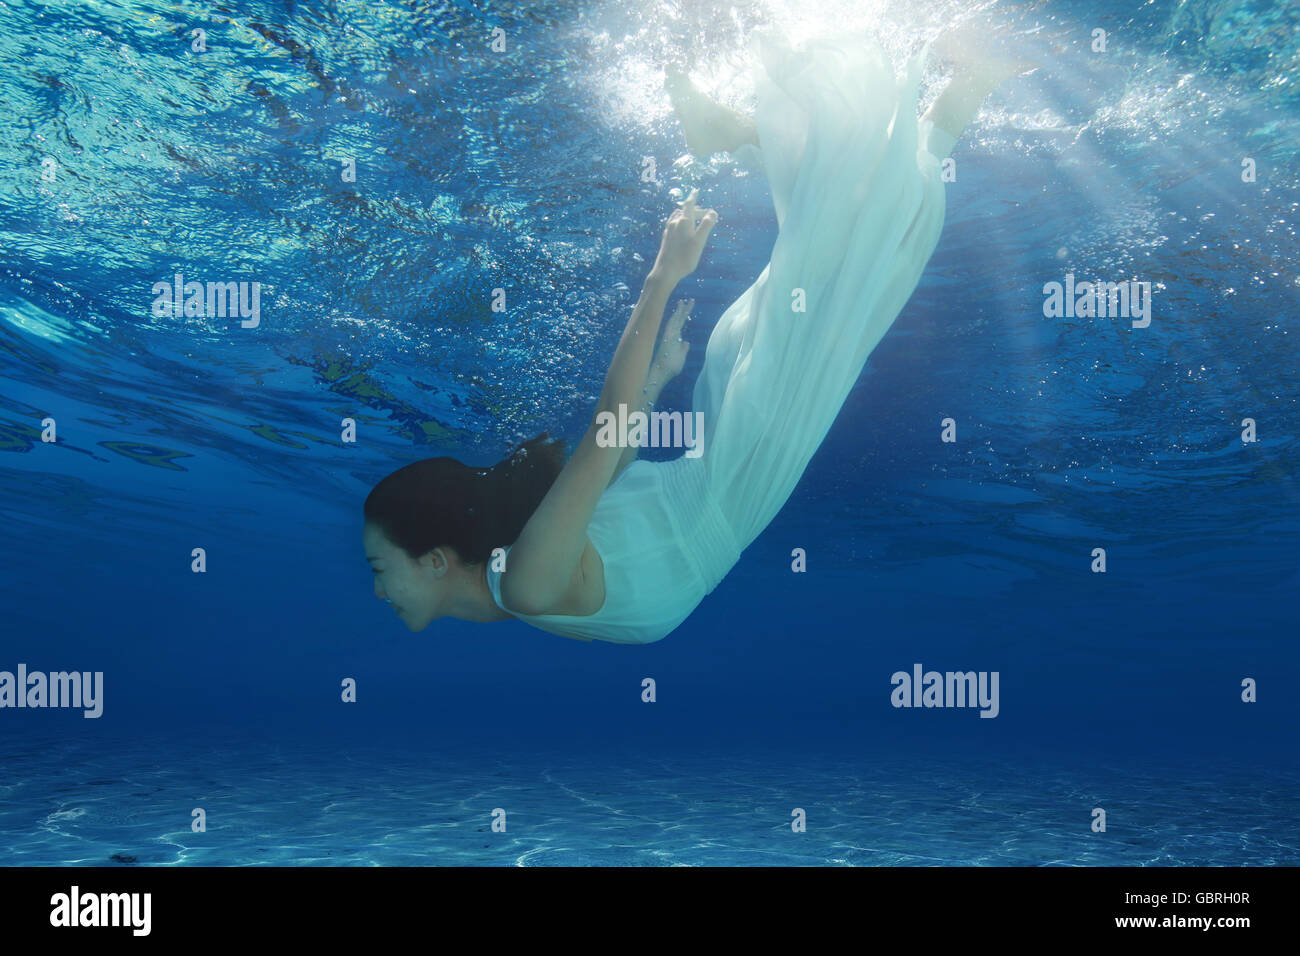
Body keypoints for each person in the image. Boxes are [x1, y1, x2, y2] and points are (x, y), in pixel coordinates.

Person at [364, 29, 1032, 644]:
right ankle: (758, 127)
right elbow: (606, 473)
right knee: (858, 271)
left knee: (857, 270)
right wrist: (658, 379)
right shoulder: (525, 564)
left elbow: (606, 435)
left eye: (378, 566)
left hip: (739, 466)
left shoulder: (529, 583)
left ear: (433, 559)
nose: (375, 588)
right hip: (729, 462)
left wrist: (663, 276)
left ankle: (909, 95)